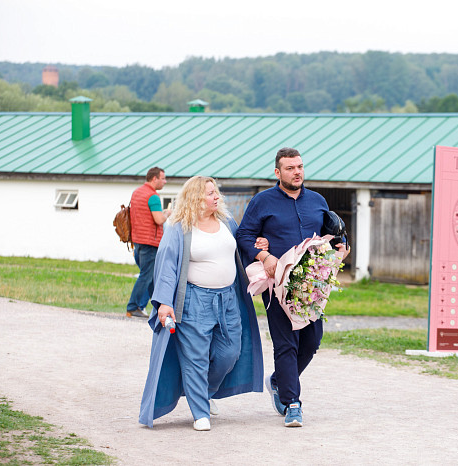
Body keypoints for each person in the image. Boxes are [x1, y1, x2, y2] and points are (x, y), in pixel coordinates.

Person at [236, 147, 350, 428]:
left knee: (311, 342)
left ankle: (278, 381)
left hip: (311, 283)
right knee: (285, 343)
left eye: (299, 166)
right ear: (278, 172)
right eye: (290, 168)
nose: (297, 172)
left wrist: (342, 249)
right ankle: (292, 404)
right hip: (277, 285)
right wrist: (265, 255)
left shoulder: (318, 201)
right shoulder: (262, 202)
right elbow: (245, 235)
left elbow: (335, 235)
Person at [139, 176, 265, 431]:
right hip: (194, 301)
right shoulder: (178, 227)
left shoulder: (226, 221)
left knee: (230, 352)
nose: (216, 196)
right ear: (195, 198)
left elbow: (239, 249)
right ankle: (200, 412)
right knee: (194, 357)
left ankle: (202, 392)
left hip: (228, 299)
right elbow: (166, 266)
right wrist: (164, 302)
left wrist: (259, 246)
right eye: (210, 193)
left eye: (216, 192)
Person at [126, 167, 171, 318]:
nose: (165, 181)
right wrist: (167, 213)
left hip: (138, 240)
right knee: (146, 276)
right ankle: (133, 306)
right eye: (163, 178)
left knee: (151, 277)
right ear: (154, 179)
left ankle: (157, 307)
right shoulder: (153, 197)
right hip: (151, 242)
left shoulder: (137, 193)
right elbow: (158, 219)